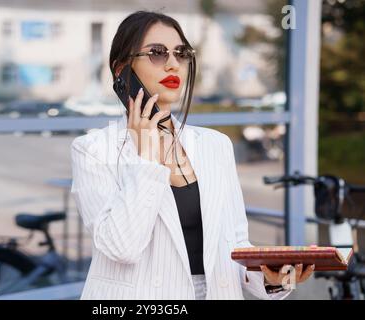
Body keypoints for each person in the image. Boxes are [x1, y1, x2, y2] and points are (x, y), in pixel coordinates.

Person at [70, 10, 314, 300]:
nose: (174, 64)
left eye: (181, 53)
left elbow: (234, 244)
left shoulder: (215, 145)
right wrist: (148, 159)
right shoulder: (94, 149)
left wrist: (272, 278)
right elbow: (122, 247)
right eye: (157, 53)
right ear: (122, 69)